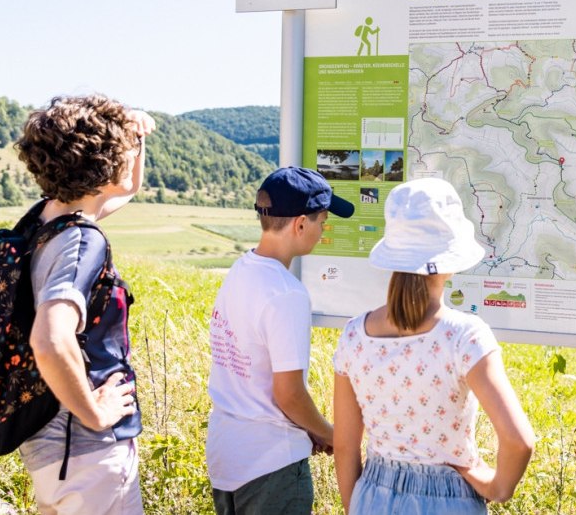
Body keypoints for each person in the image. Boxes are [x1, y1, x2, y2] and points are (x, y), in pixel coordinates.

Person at [332, 177, 536, 514]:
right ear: (451, 258)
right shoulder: (464, 336)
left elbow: (344, 445)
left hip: (372, 494)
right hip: (448, 500)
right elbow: (519, 441)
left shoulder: (354, 335)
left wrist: (356, 506)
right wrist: (497, 487)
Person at [13, 94, 156, 514]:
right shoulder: (81, 242)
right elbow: (51, 339)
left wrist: (135, 134)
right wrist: (95, 412)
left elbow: (128, 187)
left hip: (53, 448)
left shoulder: (46, 218)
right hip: (88, 452)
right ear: (105, 165)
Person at [206, 166, 355, 514]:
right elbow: (288, 393)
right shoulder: (286, 293)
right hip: (271, 463)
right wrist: (330, 434)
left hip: (227, 454)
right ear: (300, 224)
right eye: (322, 221)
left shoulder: (241, 270)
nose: (323, 230)